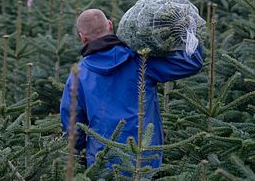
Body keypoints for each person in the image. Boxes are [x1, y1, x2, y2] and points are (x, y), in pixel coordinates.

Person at [60, 9, 203, 173]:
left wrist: (76, 156)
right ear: (110, 25)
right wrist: (188, 31)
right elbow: (190, 64)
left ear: (83, 38)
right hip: (144, 158)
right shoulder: (139, 60)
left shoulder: (78, 74)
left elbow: (72, 124)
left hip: (101, 162)